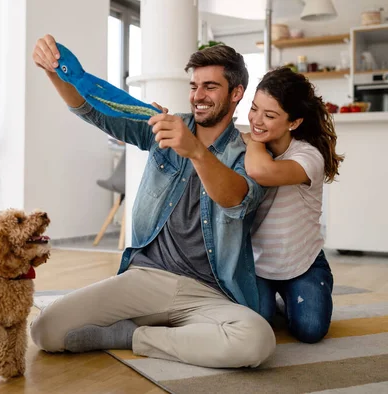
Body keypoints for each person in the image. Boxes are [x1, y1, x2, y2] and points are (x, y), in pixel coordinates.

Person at [30, 34, 276, 369]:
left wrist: (195, 152)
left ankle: (133, 337)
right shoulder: (164, 127)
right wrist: (54, 71)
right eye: (194, 86)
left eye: (210, 87)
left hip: (210, 291)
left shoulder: (251, 153)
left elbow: (236, 200)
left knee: (256, 340)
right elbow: (96, 111)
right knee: (46, 330)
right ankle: (171, 333)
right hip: (145, 278)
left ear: (236, 94)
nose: (198, 96)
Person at [242, 66, 344, 343]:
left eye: (269, 115)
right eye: (254, 109)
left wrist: (252, 139)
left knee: (310, 330)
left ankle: (306, 292)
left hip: (302, 261)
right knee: (258, 324)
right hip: (260, 263)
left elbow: (262, 172)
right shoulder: (253, 146)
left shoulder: (307, 157)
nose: (257, 120)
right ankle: (274, 302)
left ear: (294, 123)